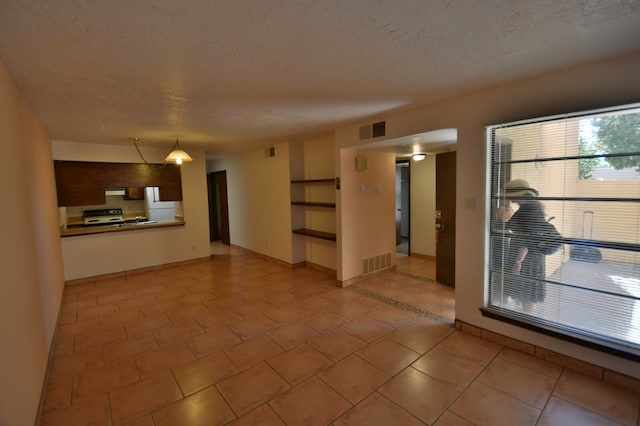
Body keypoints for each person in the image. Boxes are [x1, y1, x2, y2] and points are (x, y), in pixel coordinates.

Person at [502, 179, 547, 313]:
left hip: (527, 259)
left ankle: (526, 321)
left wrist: (518, 261)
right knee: (525, 294)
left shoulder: (528, 211)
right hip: (531, 257)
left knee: (527, 295)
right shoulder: (531, 207)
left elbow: (527, 239)